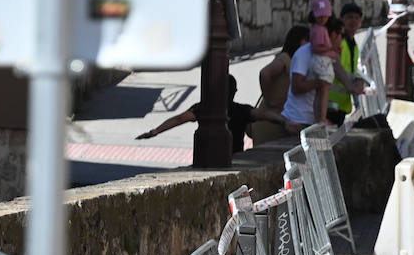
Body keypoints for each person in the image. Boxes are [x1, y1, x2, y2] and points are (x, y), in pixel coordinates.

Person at [135, 75, 290, 157]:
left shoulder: (203, 109)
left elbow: (179, 119)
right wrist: (285, 122)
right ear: (234, 92)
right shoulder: (241, 110)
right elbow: (265, 115)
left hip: (206, 159)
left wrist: (155, 131)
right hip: (235, 159)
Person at [282, 16, 365, 131]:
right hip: (298, 121)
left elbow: (341, 73)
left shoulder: (331, 55)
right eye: (341, 36)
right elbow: (297, 87)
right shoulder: (303, 54)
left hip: (315, 122)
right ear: (332, 36)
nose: (342, 40)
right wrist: (321, 82)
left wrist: (356, 85)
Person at [251, 24, 310, 144]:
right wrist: (270, 99)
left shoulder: (294, 61)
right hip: (270, 122)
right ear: (301, 41)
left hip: (280, 120)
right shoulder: (285, 59)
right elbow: (265, 73)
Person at [327, 2, 363, 123]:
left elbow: (350, 69)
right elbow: (335, 68)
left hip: (342, 103)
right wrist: (353, 85)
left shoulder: (354, 45)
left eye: (356, 18)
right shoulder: (338, 42)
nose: (353, 21)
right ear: (342, 19)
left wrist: (358, 79)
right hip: (330, 102)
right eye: (349, 17)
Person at [306, 0, 337, 125]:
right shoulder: (319, 30)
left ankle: (319, 117)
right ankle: (321, 117)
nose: (323, 19)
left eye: (325, 16)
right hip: (321, 62)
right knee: (324, 89)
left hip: (319, 61)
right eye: (320, 16)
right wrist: (331, 47)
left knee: (320, 91)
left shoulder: (315, 28)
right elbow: (317, 48)